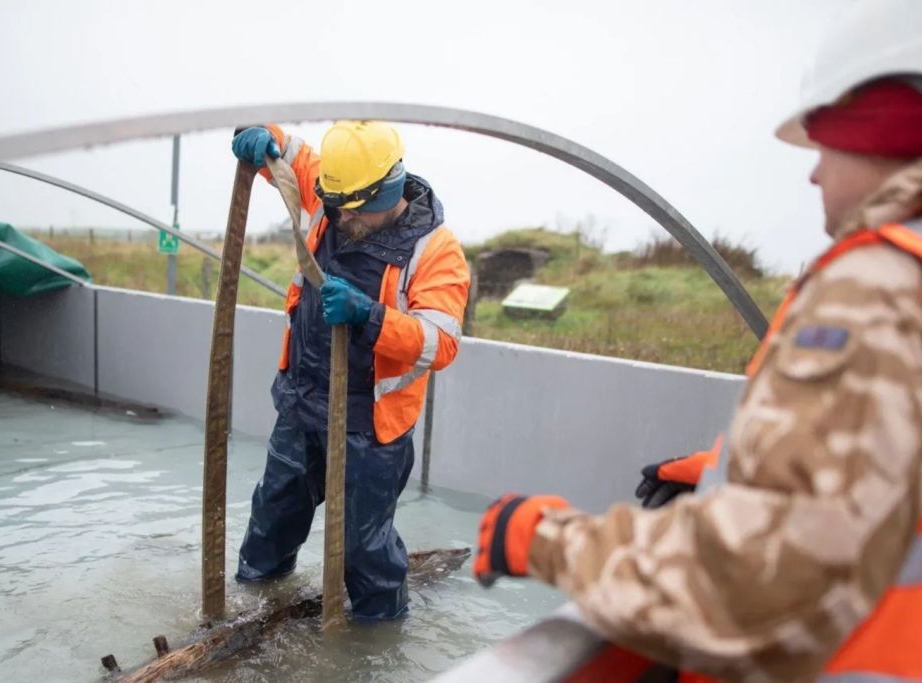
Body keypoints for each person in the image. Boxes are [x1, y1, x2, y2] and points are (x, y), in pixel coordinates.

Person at [474, 1, 922, 680]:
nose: (812, 174)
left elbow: (755, 582)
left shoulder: (881, 284)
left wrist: (546, 538)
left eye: (823, 141)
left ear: (880, 127)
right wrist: (728, 464)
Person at [232, 121, 470, 622]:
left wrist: (370, 316)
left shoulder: (436, 250)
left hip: (371, 427)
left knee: (364, 552)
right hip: (302, 404)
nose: (341, 217)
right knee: (270, 522)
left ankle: (375, 644)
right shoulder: (335, 190)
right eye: (334, 204)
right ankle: (250, 616)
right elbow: (290, 152)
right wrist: (260, 134)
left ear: (386, 189)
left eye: (354, 210)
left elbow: (441, 342)